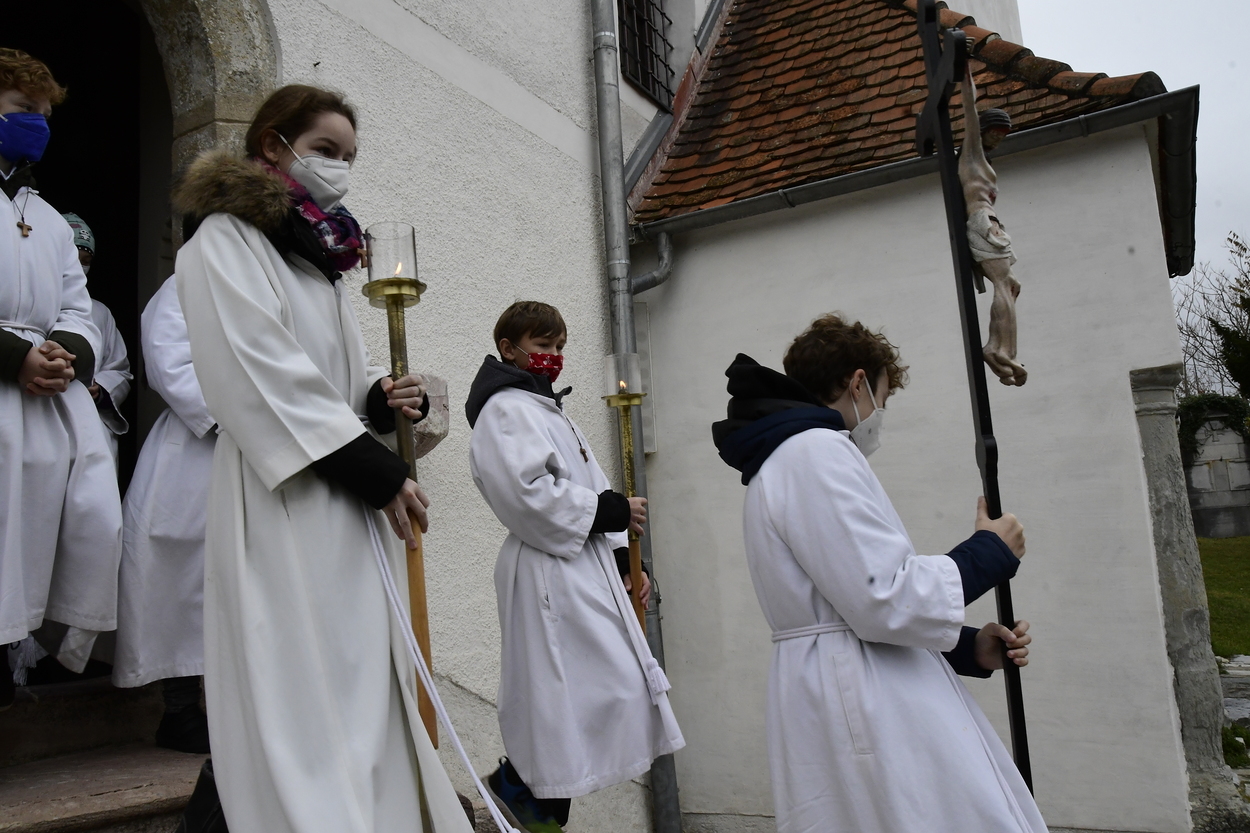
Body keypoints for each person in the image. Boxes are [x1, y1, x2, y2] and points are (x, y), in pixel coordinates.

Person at [172, 84, 467, 832]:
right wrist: (377, 470)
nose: (338, 168)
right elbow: (257, 372)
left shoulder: (319, 261)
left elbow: (336, 377)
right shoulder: (223, 241)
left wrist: (379, 398)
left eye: (349, 157)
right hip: (282, 496)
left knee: (352, 674)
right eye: (325, 150)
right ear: (273, 145)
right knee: (294, 683)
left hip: (342, 501)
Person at [711, 313, 1046, 833]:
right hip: (861, 698)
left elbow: (847, 602)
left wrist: (968, 648)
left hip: (843, 680)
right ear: (858, 382)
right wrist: (989, 552)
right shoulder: (816, 452)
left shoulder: (791, 458)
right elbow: (881, 595)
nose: (878, 415)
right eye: (882, 399)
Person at [466, 301, 685, 833]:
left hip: (583, 564)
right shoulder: (505, 411)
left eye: (560, 346)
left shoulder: (550, 411)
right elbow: (526, 494)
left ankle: (535, 803)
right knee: (559, 694)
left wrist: (626, 562)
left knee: (606, 687)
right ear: (509, 349)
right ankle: (524, 797)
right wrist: (608, 511)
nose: (554, 356)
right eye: (543, 346)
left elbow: (594, 483)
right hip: (546, 567)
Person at [0, 49, 121, 709]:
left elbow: (78, 307)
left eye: (45, 116)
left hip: (42, 403)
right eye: (23, 109)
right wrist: (13, 356)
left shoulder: (46, 218)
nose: (37, 126)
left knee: (44, 540)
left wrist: (62, 352)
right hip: (7, 382)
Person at [111, 275, 213, 754]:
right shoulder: (185, 284)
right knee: (180, 580)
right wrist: (243, 415)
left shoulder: (276, 282)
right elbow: (169, 361)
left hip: (264, 449)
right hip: (195, 446)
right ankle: (179, 711)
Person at [959, 66, 1026, 387]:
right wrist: (962, 64)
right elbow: (969, 108)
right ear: (983, 131)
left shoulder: (982, 160)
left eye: (1003, 134)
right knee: (1002, 284)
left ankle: (1000, 346)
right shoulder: (971, 155)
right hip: (983, 222)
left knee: (1012, 285)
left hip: (991, 224)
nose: (999, 138)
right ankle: (1001, 351)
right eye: (995, 132)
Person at [62, 212, 131, 465]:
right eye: (74, 258)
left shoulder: (100, 312)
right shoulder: (31, 308)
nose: (80, 267)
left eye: (86, 260)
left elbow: (119, 369)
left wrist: (100, 389)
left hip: (89, 424)